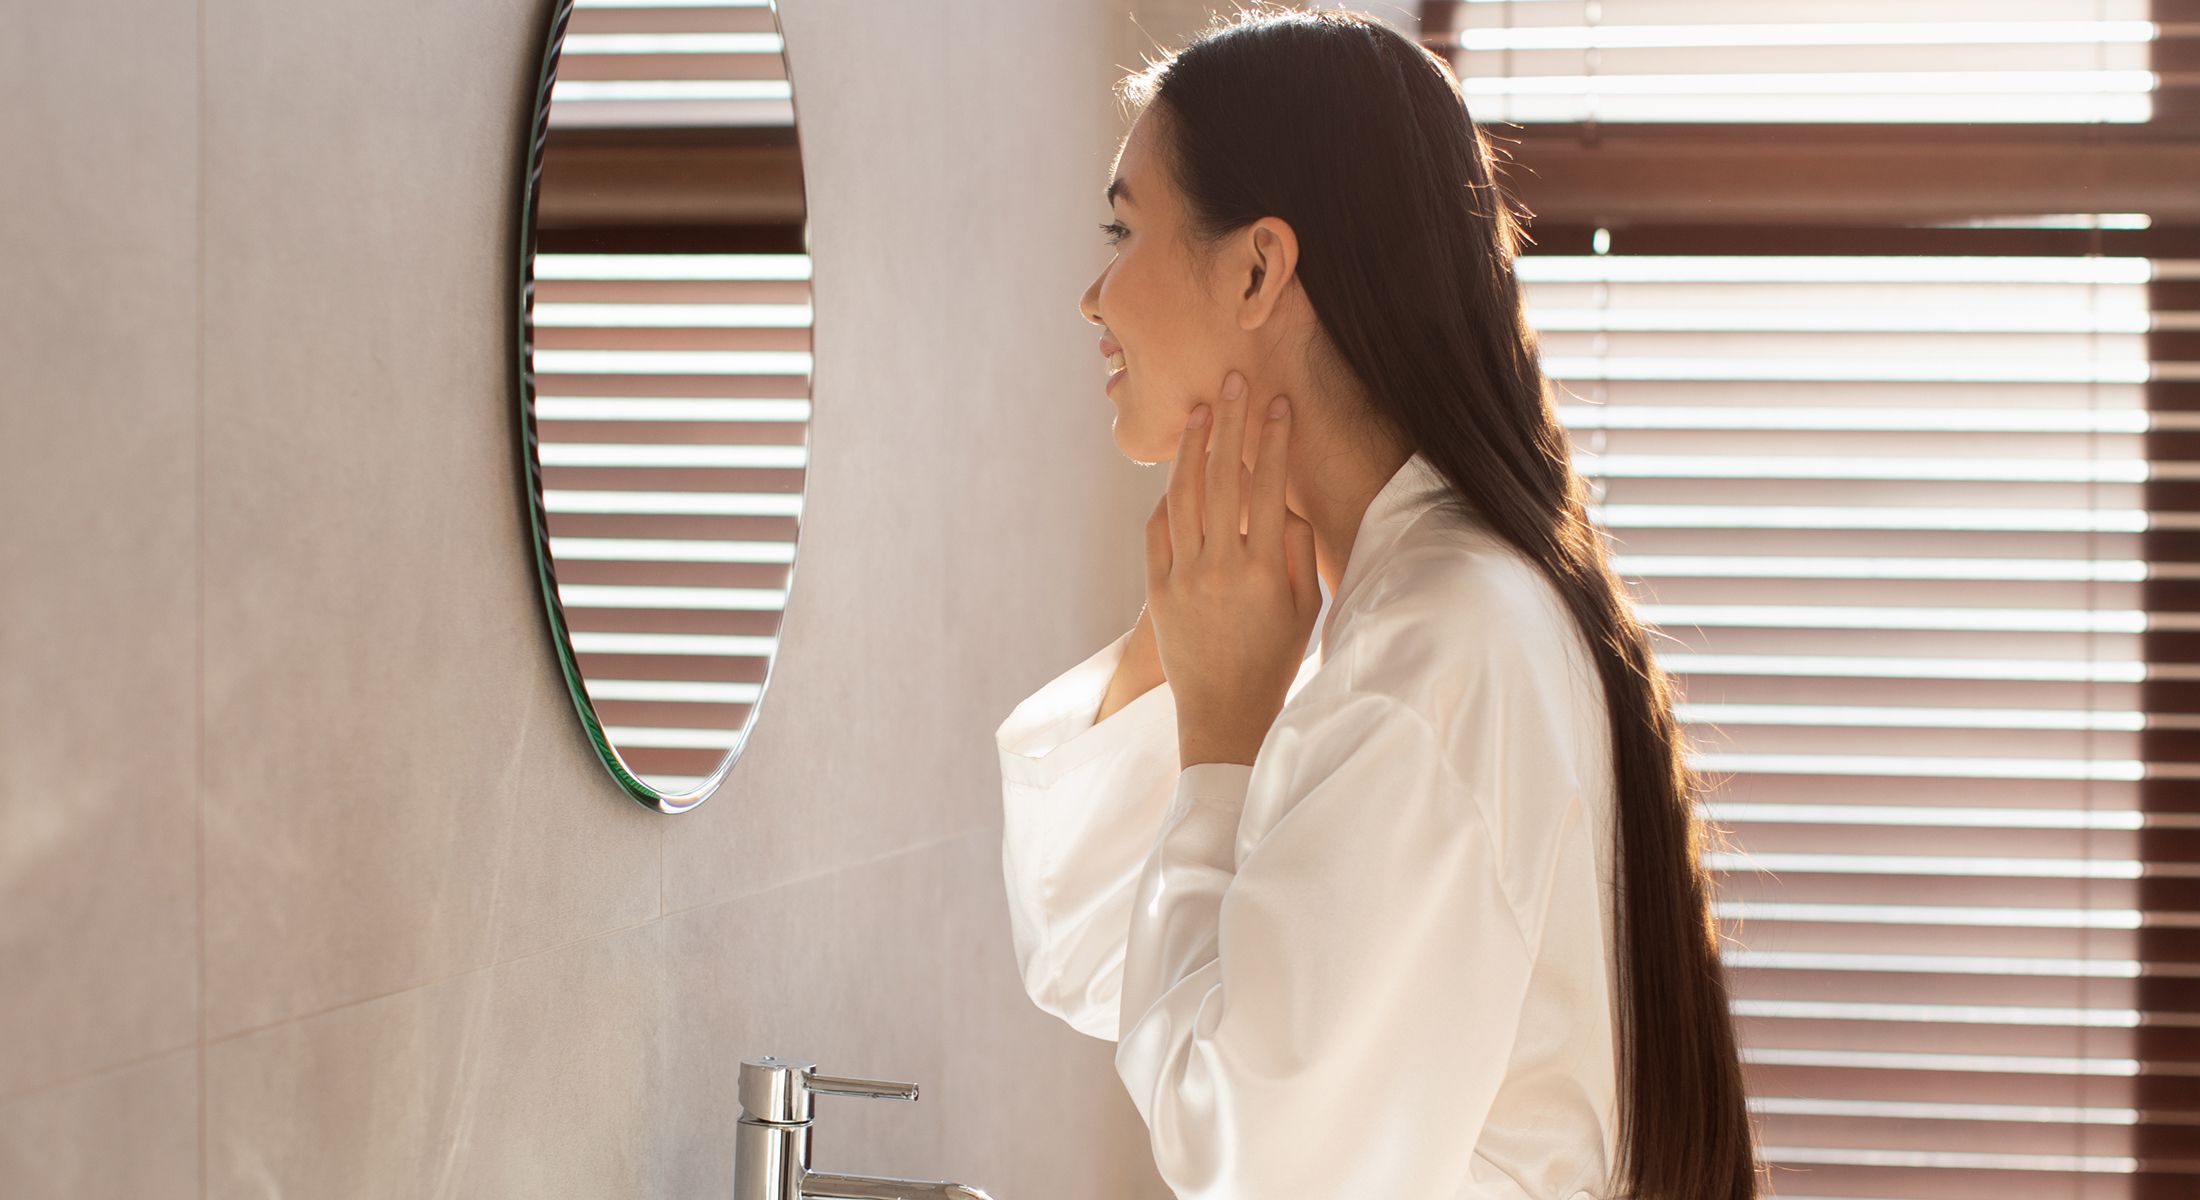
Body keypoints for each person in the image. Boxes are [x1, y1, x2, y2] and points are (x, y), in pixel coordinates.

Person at [997, 7, 1761, 1198]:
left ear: (1258, 268)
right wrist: (1191, 635)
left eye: (1123, 229)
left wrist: (1220, 741)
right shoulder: (1400, 612)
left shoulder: (1442, 641)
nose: (1092, 298)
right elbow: (1089, 948)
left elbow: (1255, 1159)